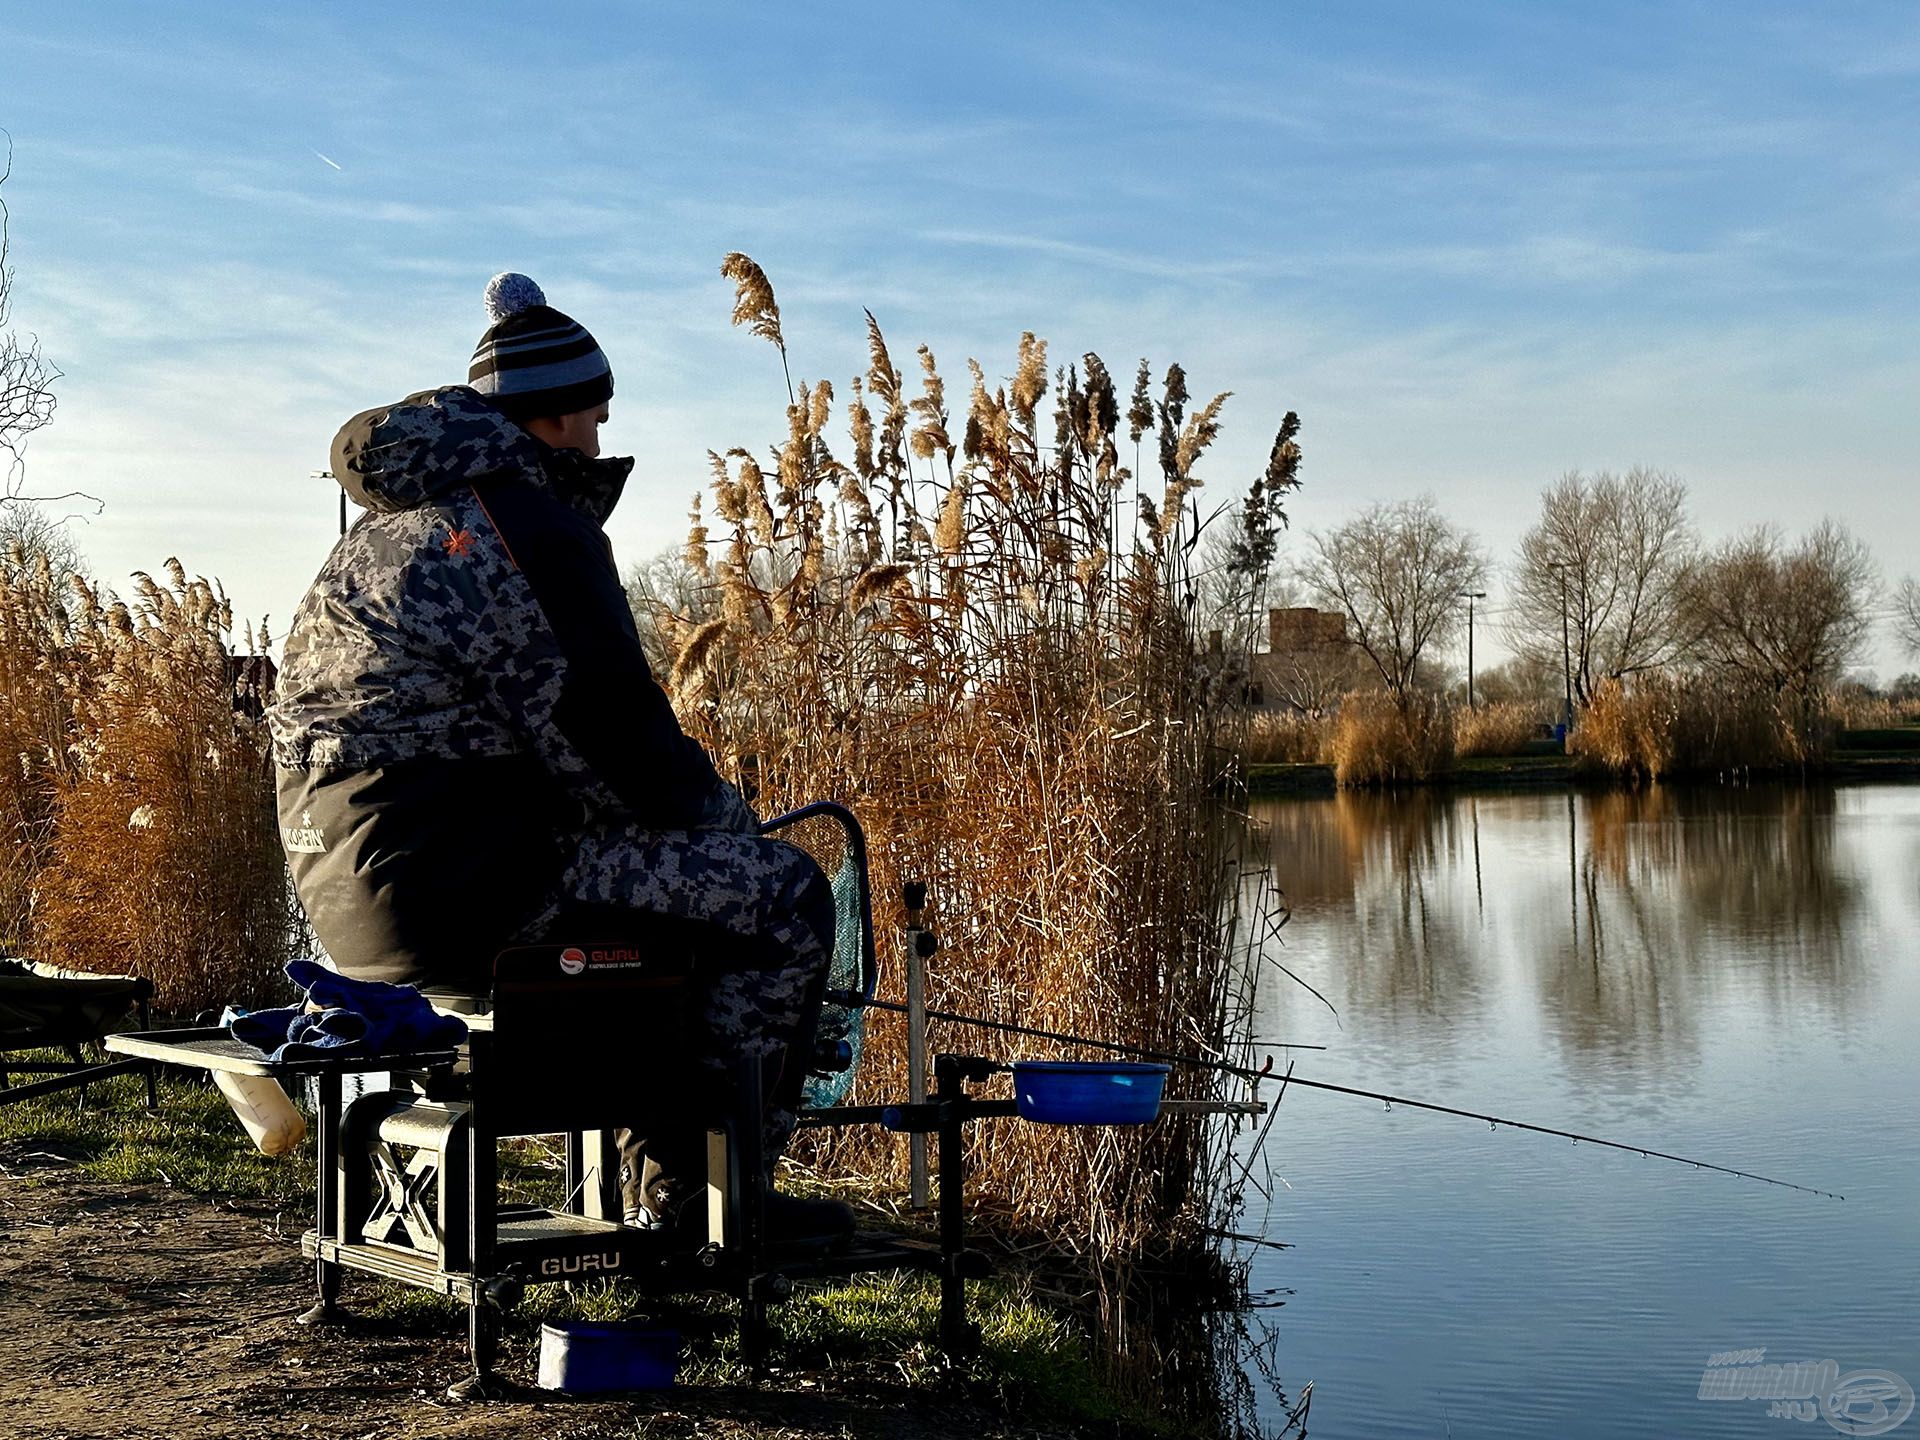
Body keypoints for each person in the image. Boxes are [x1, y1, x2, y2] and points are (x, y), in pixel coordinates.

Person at [268, 273, 850, 1240]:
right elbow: (620, 741)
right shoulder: (525, 524)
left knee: (662, 885)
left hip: (350, 901)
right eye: (593, 415)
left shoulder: (384, 528)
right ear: (551, 419)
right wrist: (732, 826)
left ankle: (655, 1177)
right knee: (780, 894)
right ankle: (709, 1199)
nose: (599, 437)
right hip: (465, 891)